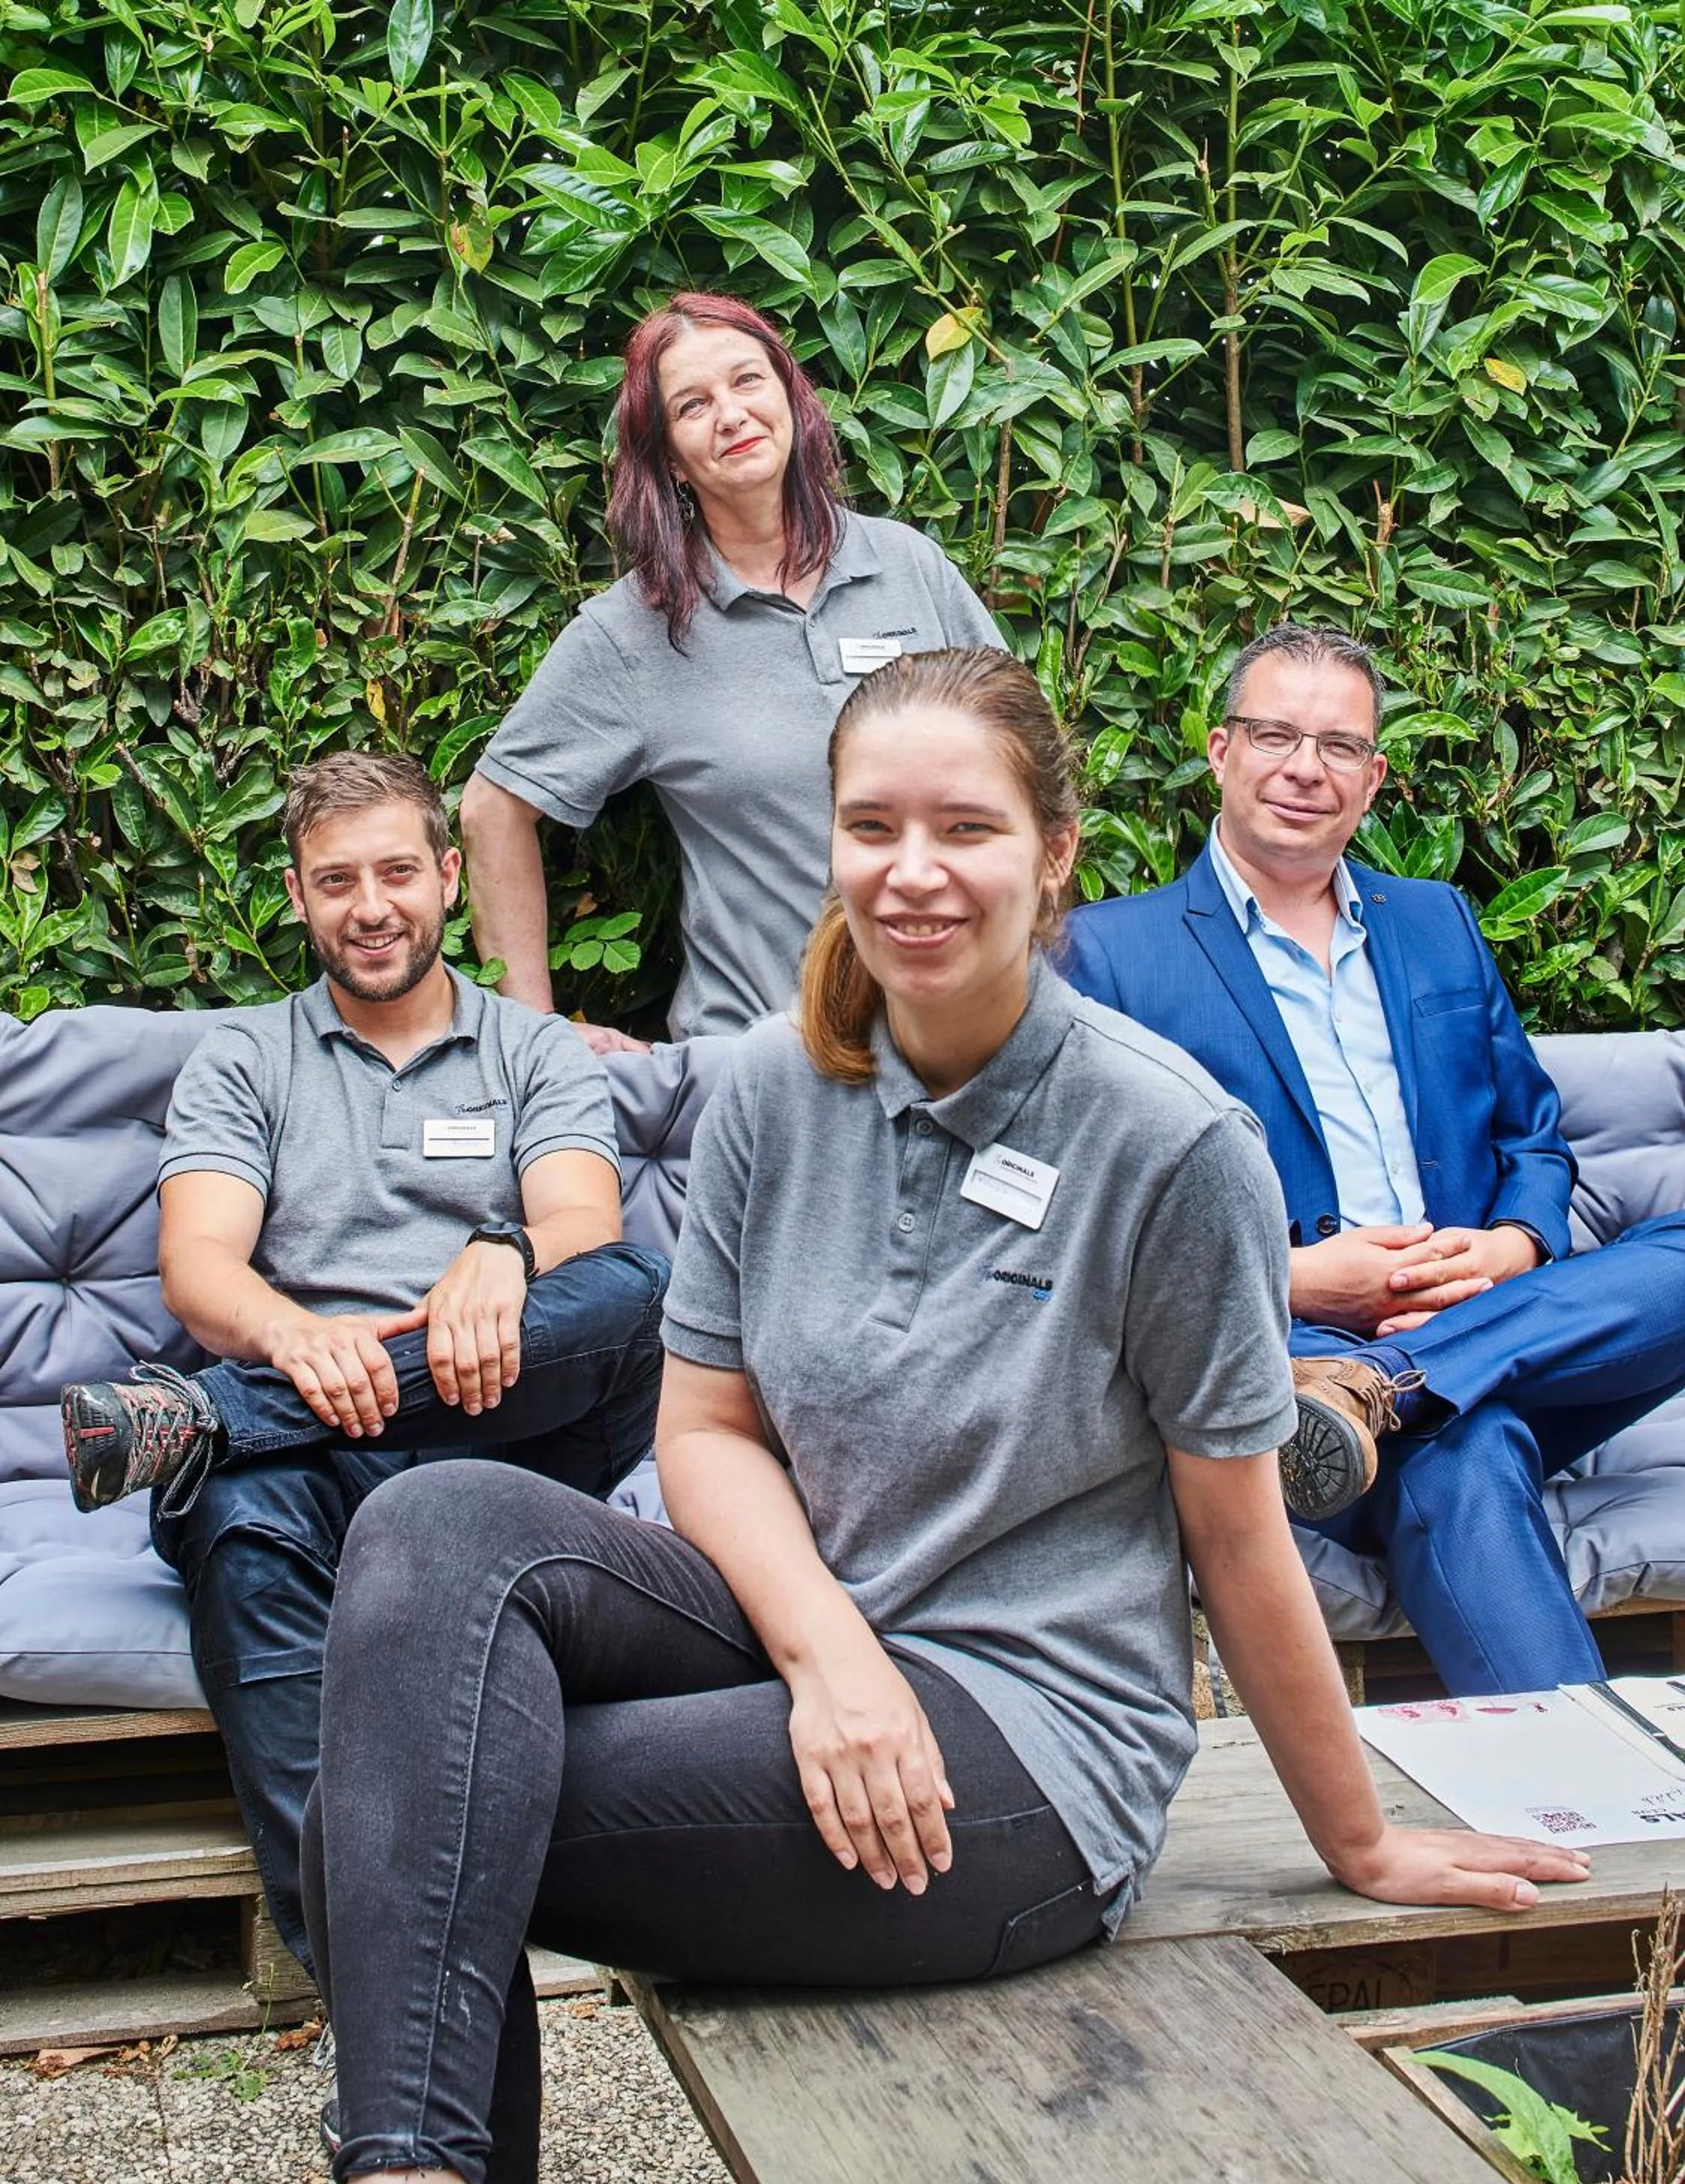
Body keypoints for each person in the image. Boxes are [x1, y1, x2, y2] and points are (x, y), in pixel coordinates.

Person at [298, 649, 1587, 2184]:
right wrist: (832, 1656)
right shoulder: (772, 1089)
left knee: (418, 1804)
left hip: (1025, 1746)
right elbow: (707, 1429)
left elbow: (1240, 1534)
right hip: (808, 1640)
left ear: (1052, 853)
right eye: (870, 825)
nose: (910, 873)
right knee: (434, 1525)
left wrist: (1362, 1839)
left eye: (963, 828)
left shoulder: (1168, 1140)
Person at [58, 752, 668, 1972]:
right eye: (337, 881)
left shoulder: (532, 1051)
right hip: (318, 1450)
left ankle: (212, 1415)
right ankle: (369, 1980)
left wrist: (503, 1254)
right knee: (229, 1521)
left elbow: (585, 1232)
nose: (371, 905)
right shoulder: (245, 1063)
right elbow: (204, 1269)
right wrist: (294, 1337)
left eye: (397, 871)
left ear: (448, 877)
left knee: (630, 1292)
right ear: (297, 896)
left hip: (518, 1430)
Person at [1060, 620, 1685, 1696]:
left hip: (1481, 1330)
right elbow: (1088, 1214)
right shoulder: (1109, 953)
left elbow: (1530, 1136)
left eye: (1338, 745)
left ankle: (1391, 1385)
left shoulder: (1438, 922)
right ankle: (1589, 1794)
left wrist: (1511, 1245)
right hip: (1288, 1367)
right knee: (1464, 1452)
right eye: (1274, 735)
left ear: (1373, 774)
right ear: (1219, 751)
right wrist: (1291, 1278)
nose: (1306, 768)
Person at [460, 291, 1004, 1051]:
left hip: (963, 1044)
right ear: (670, 461)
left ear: (791, 397)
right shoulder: (635, 632)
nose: (732, 414)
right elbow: (493, 810)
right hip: (769, 1071)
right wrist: (535, 1040)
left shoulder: (909, 567)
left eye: (748, 380)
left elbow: (1024, 769)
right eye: (693, 404)